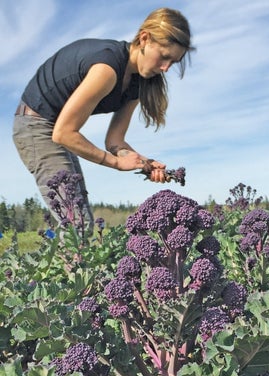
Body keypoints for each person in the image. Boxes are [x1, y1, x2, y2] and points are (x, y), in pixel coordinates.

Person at [13, 8, 195, 234]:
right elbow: (64, 133)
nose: (166, 68)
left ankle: (77, 268)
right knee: (76, 224)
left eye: (173, 62)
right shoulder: (106, 69)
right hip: (35, 125)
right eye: (164, 56)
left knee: (79, 216)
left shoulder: (136, 84)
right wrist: (116, 163)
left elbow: (115, 141)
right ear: (145, 38)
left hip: (55, 126)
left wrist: (146, 164)